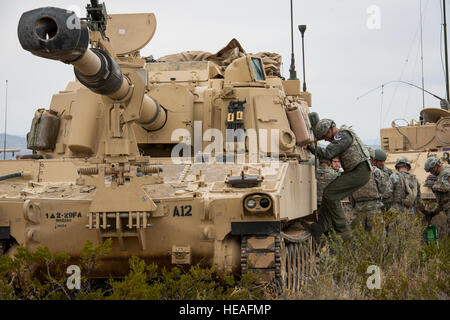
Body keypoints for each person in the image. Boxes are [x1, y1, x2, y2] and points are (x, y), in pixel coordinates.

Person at [306, 119, 372, 240]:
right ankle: (320, 227)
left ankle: (343, 232)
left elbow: (328, 154)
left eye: (325, 137)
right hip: (355, 171)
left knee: (331, 194)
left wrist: (310, 148)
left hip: (359, 171)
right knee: (328, 195)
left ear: (330, 130)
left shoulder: (343, 135)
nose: (326, 140)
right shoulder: (342, 135)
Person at [350, 147, 387, 231]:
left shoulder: (353, 172)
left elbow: (350, 192)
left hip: (358, 208)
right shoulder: (376, 171)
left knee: (359, 237)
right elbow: (383, 189)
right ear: (372, 159)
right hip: (374, 208)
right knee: (378, 237)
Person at [424, 156, 449, 234]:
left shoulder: (446, 173)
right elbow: (443, 201)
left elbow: (447, 187)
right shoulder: (440, 176)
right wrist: (433, 212)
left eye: (432, 169)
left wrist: (435, 186)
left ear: (437, 165)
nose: (431, 172)